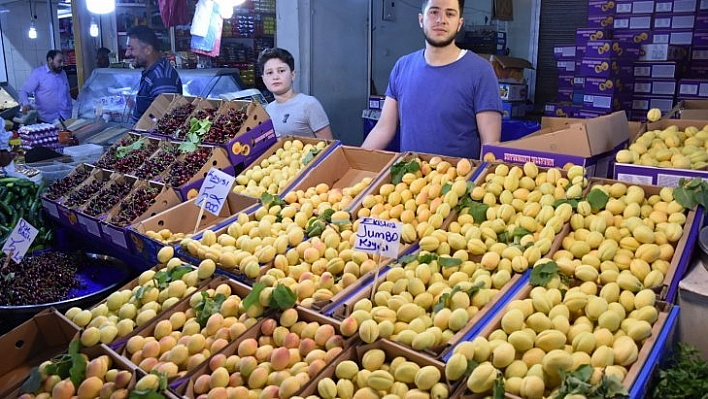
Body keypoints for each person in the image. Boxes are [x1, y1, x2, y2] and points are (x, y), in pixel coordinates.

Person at [362, 0, 503, 159]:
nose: (441, 19)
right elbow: (383, 128)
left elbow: (490, 144)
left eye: (450, 14)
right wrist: (356, 164)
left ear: (459, 24)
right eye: (434, 12)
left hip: (460, 181)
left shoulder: (481, 72)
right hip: (411, 179)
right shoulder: (402, 67)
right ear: (421, 20)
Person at [258, 48, 333, 140]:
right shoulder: (268, 110)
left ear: (292, 75)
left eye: (281, 71)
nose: (275, 77)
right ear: (263, 79)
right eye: (269, 73)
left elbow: (329, 146)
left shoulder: (308, 104)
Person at [125, 25, 182, 123]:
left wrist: (146, 119)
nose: (127, 53)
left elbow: (163, 121)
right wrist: (136, 107)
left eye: (131, 49)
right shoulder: (152, 73)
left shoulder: (162, 79)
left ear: (147, 50)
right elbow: (153, 111)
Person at [19, 50, 73, 124]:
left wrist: (71, 109)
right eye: (59, 61)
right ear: (50, 60)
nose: (62, 64)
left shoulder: (63, 73)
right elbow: (23, 91)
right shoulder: (38, 73)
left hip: (65, 117)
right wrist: (26, 103)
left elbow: (67, 93)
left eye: (63, 61)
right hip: (47, 120)